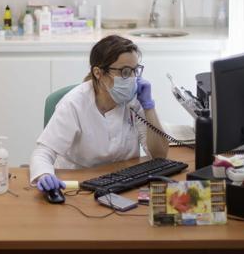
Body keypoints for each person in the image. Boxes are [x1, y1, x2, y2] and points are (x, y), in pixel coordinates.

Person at [29, 35, 169, 192]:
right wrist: (44, 175)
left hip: (125, 184)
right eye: (124, 72)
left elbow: (159, 155)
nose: (132, 79)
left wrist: (149, 106)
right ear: (98, 73)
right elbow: (43, 153)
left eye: (135, 71)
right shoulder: (74, 103)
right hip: (81, 186)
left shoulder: (135, 99)